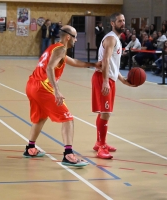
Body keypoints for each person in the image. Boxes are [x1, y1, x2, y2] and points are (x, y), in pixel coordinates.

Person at [23, 25, 101, 167]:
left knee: (40, 118)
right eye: (75, 37)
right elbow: (49, 68)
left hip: (31, 85)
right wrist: (57, 90)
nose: (76, 40)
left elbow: (74, 62)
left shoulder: (54, 48)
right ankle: (68, 154)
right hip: (43, 87)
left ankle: (30, 148)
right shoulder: (61, 49)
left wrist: (93, 64)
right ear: (68, 37)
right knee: (68, 118)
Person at [92, 13, 134, 159]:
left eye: (124, 20)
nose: (123, 23)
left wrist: (122, 80)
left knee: (104, 112)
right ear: (112, 23)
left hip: (109, 78)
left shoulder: (117, 39)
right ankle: (101, 147)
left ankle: (99, 143)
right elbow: (105, 60)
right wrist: (105, 81)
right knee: (106, 113)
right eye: (120, 21)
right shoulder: (110, 38)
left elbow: (113, 65)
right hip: (102, 77)